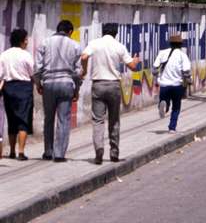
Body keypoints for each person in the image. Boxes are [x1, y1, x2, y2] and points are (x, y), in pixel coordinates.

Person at [81, 22, 139, 165]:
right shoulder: (119, 46)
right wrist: (136, 60)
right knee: (114, 120)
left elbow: (83, 57)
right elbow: (131, 66)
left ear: (103, 31)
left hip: (98, 85)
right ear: (116, 33)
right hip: (113, 85)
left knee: (98, 120)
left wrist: (84, 71)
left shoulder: (95, 43)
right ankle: (114, 153)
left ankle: (99, 150)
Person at [34, 19, 82, 162]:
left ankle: (48, 152)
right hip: (66, 83)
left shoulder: (45, 43)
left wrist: (38, 84)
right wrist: (76, 90)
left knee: (48, 118)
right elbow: (78, 72)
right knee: (64, 120)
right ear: (70, 32)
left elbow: (37, 68)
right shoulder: (75, 45)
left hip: (48, 84)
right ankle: (60, 154)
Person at [0, 28, 34, 160]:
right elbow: (32, 72)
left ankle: (12, 151)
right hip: (24, 87)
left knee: (12, 120)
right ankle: (21, 152)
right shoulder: (26, 55)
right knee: (23, 120)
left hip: (8, 88)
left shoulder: (4, 54)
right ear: (21, 41)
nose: (27, 42)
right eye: (26, 39)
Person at [152, 34, 191, 132]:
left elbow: (155, 68)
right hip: (177, 85)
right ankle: (172, 128)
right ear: (181, 44)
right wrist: (189, 81)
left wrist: (156, 76)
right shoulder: (183, 55)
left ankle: (164, 106)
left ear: (170, 43)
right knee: (176, 107)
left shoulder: (162, 53)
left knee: (164, 100)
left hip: (164, 84)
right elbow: (186, 71)